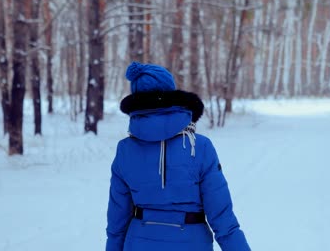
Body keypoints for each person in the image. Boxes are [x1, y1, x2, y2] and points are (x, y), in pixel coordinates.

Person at [106, 61, 251, 251]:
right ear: (170, 93)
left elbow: (117, 221)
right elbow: (223, 219)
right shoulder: (200, 146)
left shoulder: (125, 149)